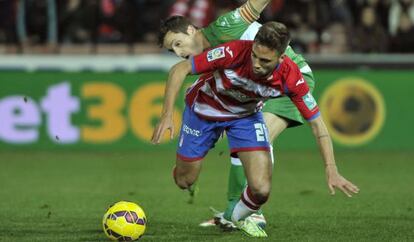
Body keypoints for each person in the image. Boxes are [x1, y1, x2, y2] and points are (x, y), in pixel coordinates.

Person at [152, 22, 359, 237]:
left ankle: (238, 216)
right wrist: (167, 114)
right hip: (204, 112)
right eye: (255, 56)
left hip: (244, 118)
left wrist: (331, 167)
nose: (257, 65)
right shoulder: (234, 50)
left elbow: (318, 125)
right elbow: (180, 69)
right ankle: (185, 171)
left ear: (281, 58)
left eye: (265, 60)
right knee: (184, 180)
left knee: (261, 188)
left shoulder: (291, 77)